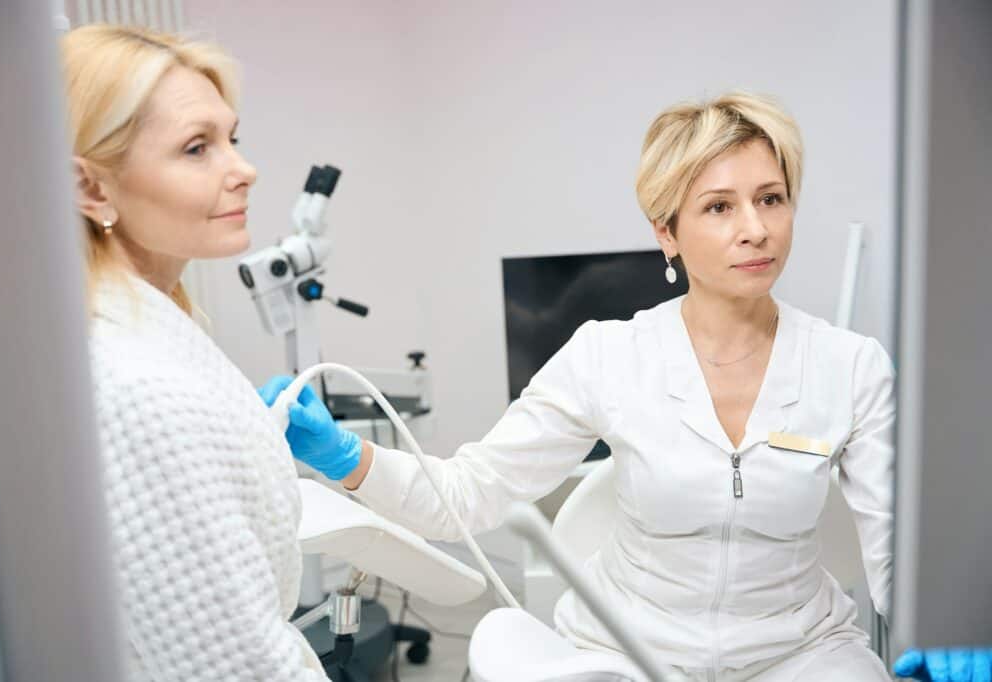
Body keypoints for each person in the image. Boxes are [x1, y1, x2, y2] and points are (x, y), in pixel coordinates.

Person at [272, 92, 897, 681]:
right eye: (719, 206)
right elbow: (467, 496)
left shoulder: (851, 366)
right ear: (667, 233)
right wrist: (348, 459)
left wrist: (953, 638)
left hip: (802, 653)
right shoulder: (608, 356)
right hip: (628, 651)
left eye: (771, 198)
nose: (756, 228)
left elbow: (897, 552)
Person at [65, 24, 328, 680]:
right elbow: (237, 667)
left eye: (230, 139)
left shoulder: (147, 335)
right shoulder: (136, 386)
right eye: (195, 148)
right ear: (93, 190)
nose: (244, 169)